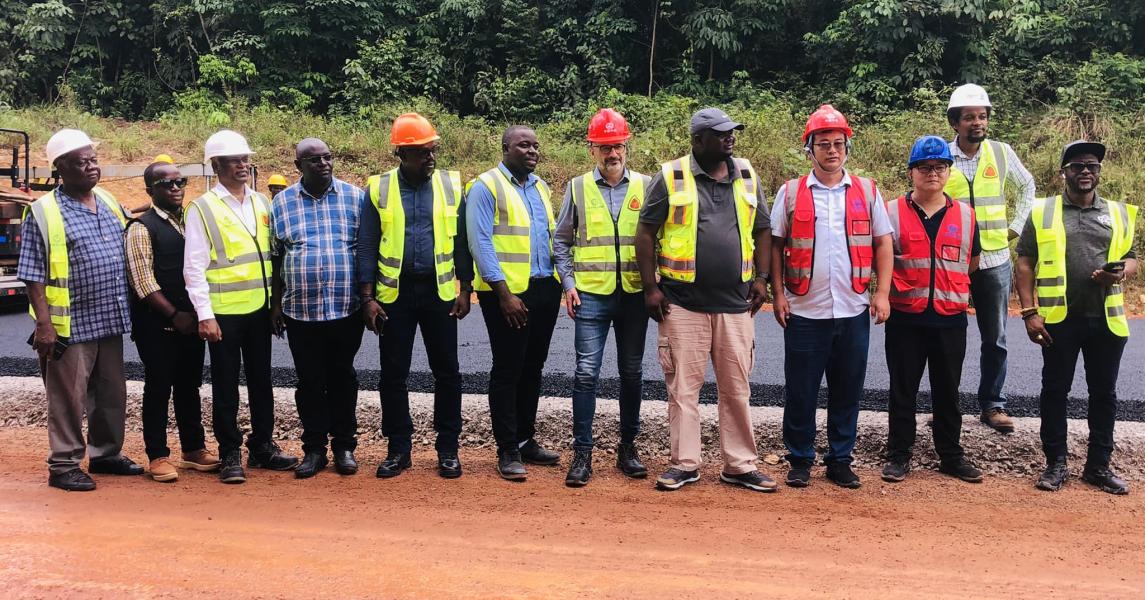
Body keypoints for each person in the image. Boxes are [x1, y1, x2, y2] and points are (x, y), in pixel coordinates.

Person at [635, 107, 775, 493]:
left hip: (736, 304)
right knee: (683, 389)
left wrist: (762, 278)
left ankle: (740, 464)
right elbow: (645, 233)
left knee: (737, 388)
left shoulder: (746, 173)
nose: (730, 139)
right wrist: (651, 287)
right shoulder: (671, 176)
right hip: (682, 303)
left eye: (732, 133)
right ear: (698, 139)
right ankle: (685, 463)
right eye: (721, 134)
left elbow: (763, 229)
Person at [769, 105, 893, 489]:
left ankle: (840, 459)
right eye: (823, 144)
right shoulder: (790, 193)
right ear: (810, 149)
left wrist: (882, 293)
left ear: (847, 147)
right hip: (805, 311)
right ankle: (800, 459)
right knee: (801, 391)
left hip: (853, 310)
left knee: (847, 390)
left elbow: (882, 243)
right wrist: (778, 294)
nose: (832, 150)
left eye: (838, 143)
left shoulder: (867, 191)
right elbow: (774, 246)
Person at [19, 128, 143, 491]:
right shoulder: (43, 213)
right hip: (68, 326)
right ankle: (63, 465)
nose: (91, 168)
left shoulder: (105, 198)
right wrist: (44, 324)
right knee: (68, 397)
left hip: (109, 316)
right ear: (61, 168)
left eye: (93, 160)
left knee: (110, 393)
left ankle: (105, 454)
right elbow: (32, 274)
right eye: (81, 162)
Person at [1016, 140, 1137, 495]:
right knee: (1055, 391)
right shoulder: (1043, 212)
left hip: (1106, 320)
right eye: (1078, 166)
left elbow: (1131, 257)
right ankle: (1055, 464)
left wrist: (1122, 273)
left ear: (1099, 172)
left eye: (1092, 166)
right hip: (1058, 319)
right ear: (1063, 172)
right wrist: (1028, 312)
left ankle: (1098, 466)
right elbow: (1024, 262)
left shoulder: (1116, 213)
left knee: (1104, 394)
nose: (1086, 171)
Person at [358, 113, 472, 479]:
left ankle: (448, 450)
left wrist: (466, 288)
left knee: (448, 373)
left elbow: (463, 244)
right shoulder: (378, 189)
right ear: (402, 154)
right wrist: (367, 298)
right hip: (395, 295)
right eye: (422, 152)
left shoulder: (452, 187)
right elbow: (366, 244)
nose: (430, 158)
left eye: (432, 150)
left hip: (439, 293)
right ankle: (398, 449)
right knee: (393, 374)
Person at [184, 129, 298, 484]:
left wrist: (275, 305)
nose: (243, 166)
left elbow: (272, 257)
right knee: (226, 384)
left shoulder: (262, 203)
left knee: (262, 380)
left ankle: (262, 446)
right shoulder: (202, 208)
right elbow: (194, 267)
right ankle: (230, 451)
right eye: (235, 161)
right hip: (224, 314)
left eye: (246, 159)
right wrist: (205, 315)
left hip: (259, 310)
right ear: (216, 165)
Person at [553, 108, 650, 487]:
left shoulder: (646, 185)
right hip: (591, 296)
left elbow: (659, 237)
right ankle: (582, 454)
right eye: (606, 147)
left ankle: (628, 448)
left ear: (627, 146)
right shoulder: (577, 188)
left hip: (634, 296)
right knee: (585, 374)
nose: (613, 154)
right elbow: (561, 240)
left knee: (632, 373)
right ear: (592, 149)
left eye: (619, 146)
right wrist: (569, 283)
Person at [880, 136, 983, 485]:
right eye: (924, 168)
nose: (932, 173)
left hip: (949, 318)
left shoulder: (966, 216)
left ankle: (951, 457)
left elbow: (973, 261)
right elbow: (880, 260)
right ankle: (898, 456)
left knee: (948, 390)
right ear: (911, 172)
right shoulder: (891, 212)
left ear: (949, 171)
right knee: (902, 389)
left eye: (939, 167)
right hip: (905, 317)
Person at [466, 125, 562, 481]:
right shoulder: (486, 186)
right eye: (524, 145)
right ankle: (506, 448)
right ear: (505, 148)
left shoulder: (541, 188)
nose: (532, 151)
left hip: (543, 289)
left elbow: (550, 239)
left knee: (533, 368)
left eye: (536, 145)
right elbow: (480, 242)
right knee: (508, 369)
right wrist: (505, 294)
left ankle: (525, 440)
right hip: (507, 295)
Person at [945, 83, 1037, 433]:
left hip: (995, 260)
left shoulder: (1000, 152)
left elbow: (1026, 186)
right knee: (949, 338)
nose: (977, 123)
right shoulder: (942, 154)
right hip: (952, 261)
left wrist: (1016, 227)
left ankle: (993, 404)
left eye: (982, 116)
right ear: (956, 123)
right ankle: (947, 405)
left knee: (994, 337)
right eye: (969, 117)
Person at [270, 138, 365, 479]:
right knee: (309, 381)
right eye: (314, 160)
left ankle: (344, 446)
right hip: (301, 311)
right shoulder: (281, 204)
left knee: (343, 377)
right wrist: (275, 305)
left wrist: (368, 299)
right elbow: (277, 257)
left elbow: (366, 252)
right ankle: (314, 450)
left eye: (328, 157)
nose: (324, 164)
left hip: (346, 308)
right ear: (299, 167)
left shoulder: (356, 198)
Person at [126, 161, 217, 483]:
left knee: (189, 386)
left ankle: (193, 450)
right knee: (159, 387)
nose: (176, 187)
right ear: (150, 190)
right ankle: (157, 455)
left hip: (189, 323)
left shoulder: (190, 222)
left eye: (181, 181)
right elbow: (142, 282)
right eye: (167, 184)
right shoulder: (141, 228)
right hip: (158, 326)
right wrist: (173, 315)